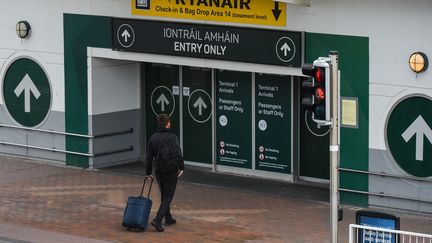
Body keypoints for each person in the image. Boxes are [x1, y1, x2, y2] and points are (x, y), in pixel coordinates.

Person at [144, 113, 184, 232]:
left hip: (158, 170)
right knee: (168, 196)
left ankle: (168, 218)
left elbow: (149, 157)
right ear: (168, 123)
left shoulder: (153, 138)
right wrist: (181, 167)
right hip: (171, 170)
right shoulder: (173, 136)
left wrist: (148, 173)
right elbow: (178, 153)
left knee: (163, 194)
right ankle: (157, 220)